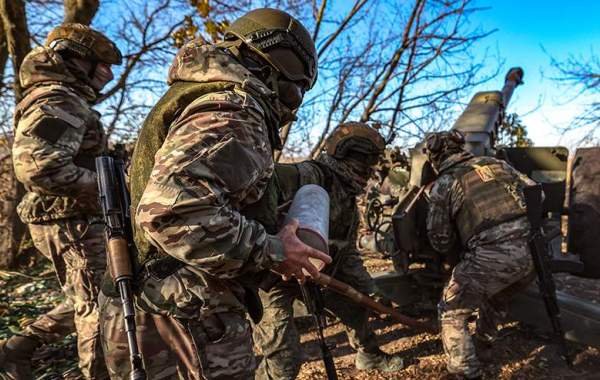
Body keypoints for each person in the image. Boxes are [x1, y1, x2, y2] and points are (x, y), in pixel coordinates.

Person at [125, 8, 331, 379]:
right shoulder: (233, 109)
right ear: (278, 63)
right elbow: (171, 213)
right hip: (191, 311)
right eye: (297, 86)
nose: (295, 102)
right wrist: (275, 251)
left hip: (163, 306)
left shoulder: (194, 97)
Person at [2, 23, 122, 379]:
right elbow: (39, 168)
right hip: (73, 223)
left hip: (74, 220)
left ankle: (17, 349)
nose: (108, 72)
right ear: (74, 59)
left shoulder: (64, 97)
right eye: (101, 62)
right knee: (99, 308)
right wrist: (111, 187)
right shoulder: (58, 99)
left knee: (87, 296)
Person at [253, 122, 405, 379]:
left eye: (370, 169)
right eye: (362, 166)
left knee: (353, 306)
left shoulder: (347, 204)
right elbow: (257, 190)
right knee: (284, 357)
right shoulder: (306, 175)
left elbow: (348, 258)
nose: (366, 175)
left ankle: (368, 355)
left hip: (313, 272)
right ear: (345, 157)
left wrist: (369, 290)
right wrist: (271, 240)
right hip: (269, 278)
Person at [424, 130, 535, 379]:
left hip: (493, 258)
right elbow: (538, 193)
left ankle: (465, 372)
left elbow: (439, 241)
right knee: (496, 297)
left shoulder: (445, 183)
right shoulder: (498, 164)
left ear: (433, 157)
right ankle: (483, 347)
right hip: (532, 256)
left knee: (451, 311)